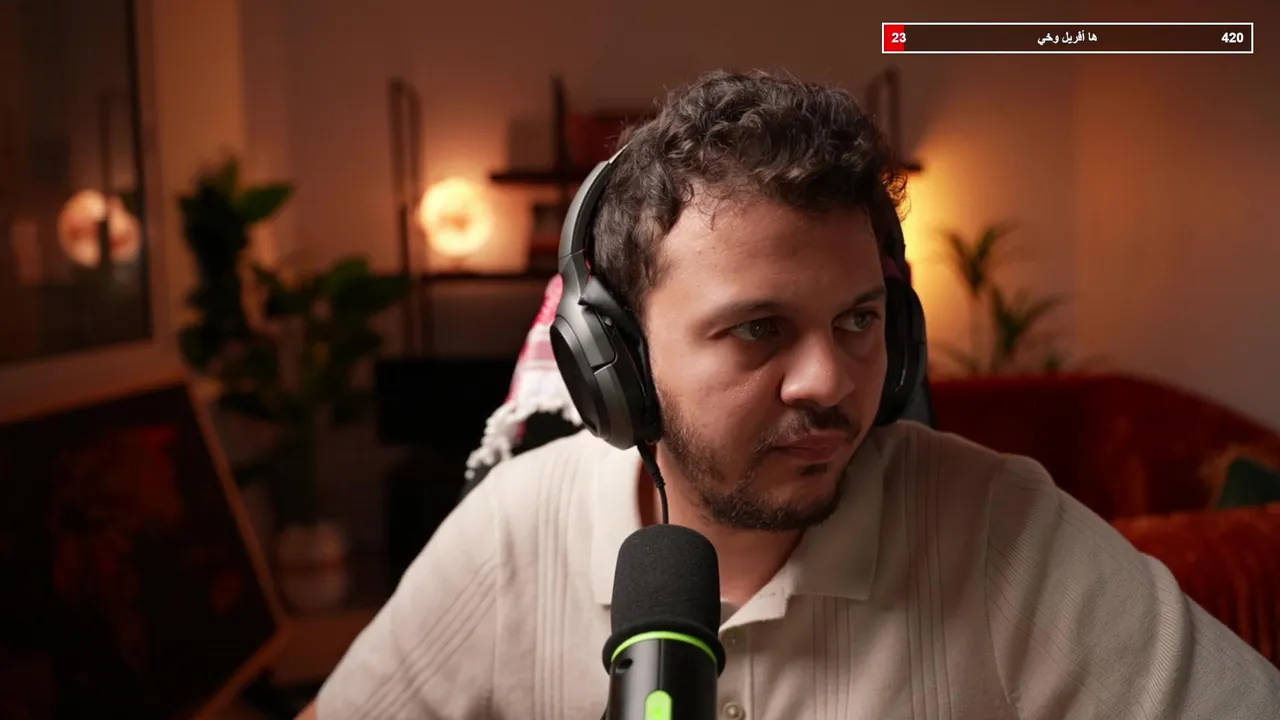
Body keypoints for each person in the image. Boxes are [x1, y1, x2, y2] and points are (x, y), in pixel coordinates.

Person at [301, 70, 1280, 719]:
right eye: (758, 328)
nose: (829, 381)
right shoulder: (515, 532)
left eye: (858, 320)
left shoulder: (999, 524)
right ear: (617, 359)